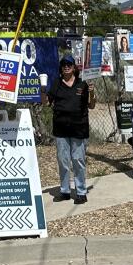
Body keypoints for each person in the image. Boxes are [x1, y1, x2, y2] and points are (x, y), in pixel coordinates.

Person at [44, 55, 96, 204]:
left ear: (74, 67)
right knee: (63, 160)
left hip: (79, 127)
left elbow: (91, 105)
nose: (66, 66)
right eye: (63, 64)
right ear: (61, 68)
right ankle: (65, 191)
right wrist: (42, 90)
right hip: (61, 128)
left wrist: (91, 92)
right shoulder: (56, 84)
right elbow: (47, 103)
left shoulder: (82, 84)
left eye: (69, 64)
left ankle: (81, 192)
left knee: (78, 160)